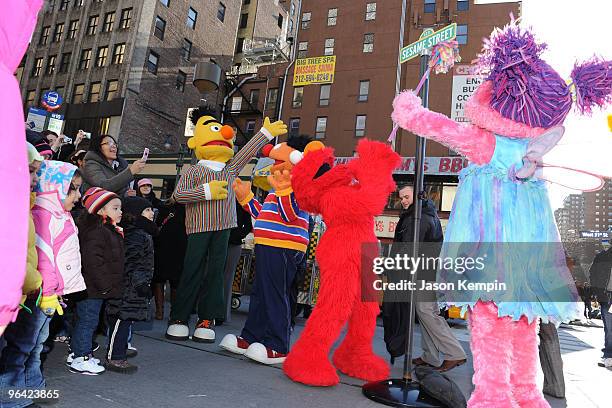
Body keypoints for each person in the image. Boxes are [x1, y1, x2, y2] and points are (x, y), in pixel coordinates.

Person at [166, 110, 285, 343]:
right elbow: (178, 195)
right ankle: (179, 318)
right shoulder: (194, 170)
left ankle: (206, 318)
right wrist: (206, 192)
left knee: (215, 275)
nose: (224, 133)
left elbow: (248, 151)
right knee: (192, 270)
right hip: (198, 228)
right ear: (196, 141)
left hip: (223, 228)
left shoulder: (229, 169)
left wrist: (265, 133)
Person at [386, 185, 467, 372]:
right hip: (424, 272)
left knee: (427, 311)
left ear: (417, 196)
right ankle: (430, 356)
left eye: (407, 197)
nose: (403, 201)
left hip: (423, 273)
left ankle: (455, 353)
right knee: (424, 312)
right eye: (401, 198)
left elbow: (410, 248)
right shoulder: (421, 213)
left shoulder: (419, 219)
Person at [0, 144, 45, 408]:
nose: (36, 178)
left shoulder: (21, 203)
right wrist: (35, 280)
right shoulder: (9, 205)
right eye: (31, 170)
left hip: (15, 294)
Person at [69, 188, 124, 375]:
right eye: (115, 208)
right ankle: (81, 357)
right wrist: (105, 285)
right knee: (88, 321)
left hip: (95, 287)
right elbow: (93, 262)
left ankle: (77, 351)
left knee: (86, 320)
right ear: (101, 211)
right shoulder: (97, 232)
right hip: (92, 287)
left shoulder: (107, 229)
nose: (120, 212)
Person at [105, 197, 158, 373]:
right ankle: (115, 357)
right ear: (136, 214)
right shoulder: (136, 234)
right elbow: (130, 261)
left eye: (151, 209)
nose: (152, 213)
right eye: (147, 210)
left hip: (134, 287)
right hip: (129, 287)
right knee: (122, 319)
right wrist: (140, 284)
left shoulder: (142, 232)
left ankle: (121, 349)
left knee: (126, 320)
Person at [153, 198, 187, 320]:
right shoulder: (189, 210)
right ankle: (173, 312)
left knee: (160, 279)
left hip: (162, 247)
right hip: (179, 249)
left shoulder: (164, 207)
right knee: (175, 281)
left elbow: (156, 225)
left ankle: (160, 312)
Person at [220, 200, 253, 324]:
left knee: (227, 279)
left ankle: (223, 314)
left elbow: (248, 225)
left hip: (233, 244)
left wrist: (238, 236)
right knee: (217, 277)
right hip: (223, 242)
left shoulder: (241, 206)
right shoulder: (223, 203)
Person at [81, 134, 146, 197]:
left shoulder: (120, 164)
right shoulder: (91, 164)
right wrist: (131, 171)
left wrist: (126, 194)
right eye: (108, 143)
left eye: (115, 144)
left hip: (116, 202)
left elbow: (120, 189)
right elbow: (103, 187)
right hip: (99, 204)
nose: (114, 146)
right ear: (98, 147)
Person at [589, 246, 612, 369]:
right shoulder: (602, 256)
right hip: (608, 297)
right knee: (609, 329)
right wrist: (597, 293)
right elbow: (593, 274)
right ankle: (608, 355)